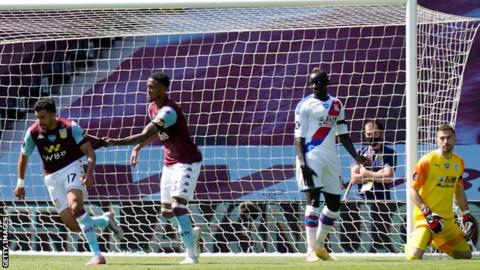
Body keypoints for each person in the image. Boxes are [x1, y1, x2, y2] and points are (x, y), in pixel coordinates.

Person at [103, 71, 202, 264]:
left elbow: (145, 133)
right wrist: (139, 147)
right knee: (166, 212)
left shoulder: (169, 111)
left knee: (178, 206)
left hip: (187, 161)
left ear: (164, 89)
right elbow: (155, 133)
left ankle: (191, 254)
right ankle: (193, 232)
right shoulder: (152, 108)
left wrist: (116, 142)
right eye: (147, 86)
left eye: (152, 86)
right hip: (169, 162)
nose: (147, 90)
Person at [14, 97, 123, 266]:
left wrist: (89, 174)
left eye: (42, 117)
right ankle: (104, 221)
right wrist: (20, 184)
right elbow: (23, 157)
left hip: (71, 167)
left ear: (52, 114)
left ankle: (97, 255)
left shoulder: (70, 127)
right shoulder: (33, 132)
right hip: (51, 176)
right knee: (72, 225)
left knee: (75, 206)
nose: (39, 121)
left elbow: (90, 152)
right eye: (36, 117)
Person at [294, 68, 369, 262]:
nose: (315, 85)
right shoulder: (304, 105)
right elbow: (298, 138)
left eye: (319, 81)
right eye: (312, 82)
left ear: (327, 82)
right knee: (314, 199)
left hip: (331, 158)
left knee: (334, 204)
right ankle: (311, 250)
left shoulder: (336, 104)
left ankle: (319, 246)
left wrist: (357, 157)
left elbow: (343, 135)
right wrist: (303, 163)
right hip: (311, 156)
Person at [405, 124, 475, 260]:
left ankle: (438, 241)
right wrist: (427, 213)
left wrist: (466, 214)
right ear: (436, 141)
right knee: (414, 257)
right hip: (427, 219)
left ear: (455, 139)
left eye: (449, 138)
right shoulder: (427, 160)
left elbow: (459, 189)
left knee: (466, 255)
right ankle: (412, 243)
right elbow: (412, 189)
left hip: (448, 221)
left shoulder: (459, 162)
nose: (445, 142)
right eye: (442, 138)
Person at [348, 119, 396, 252]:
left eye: (374, 133)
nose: (371, 136)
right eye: (368, 134)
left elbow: (388, 177)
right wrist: (376, 174)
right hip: (361, 200)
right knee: (361, 241)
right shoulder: (360, 152)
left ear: (381, 133)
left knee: (380, 240)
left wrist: (365, 173)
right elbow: (354, 178)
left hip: (382, 201)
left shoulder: (389, 152)